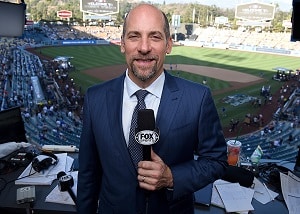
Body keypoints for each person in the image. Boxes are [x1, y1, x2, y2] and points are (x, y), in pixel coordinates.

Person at [77, 3, 228, 214]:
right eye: (134, 36)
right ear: (122, 44)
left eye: (155, 37)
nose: (144, 47)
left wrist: (172, 177)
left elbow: (216, 161)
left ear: (168, 44)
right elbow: (88, 173)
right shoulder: (96, 98)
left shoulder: (198, 98)